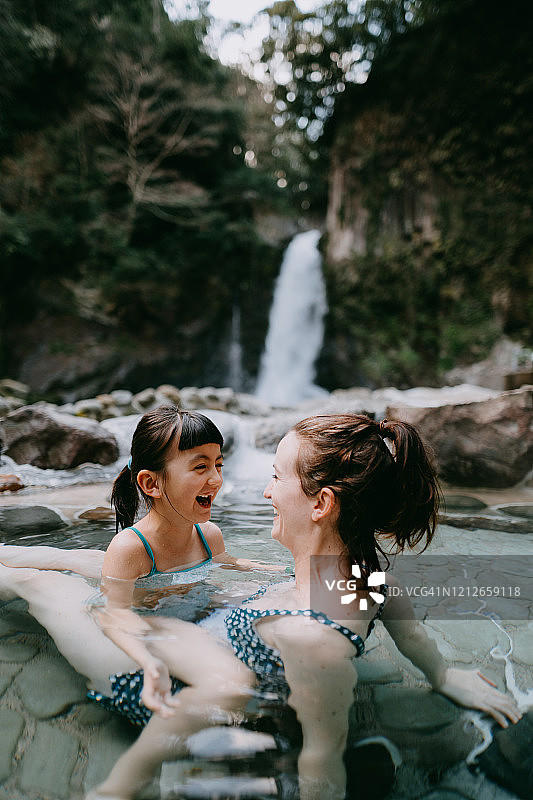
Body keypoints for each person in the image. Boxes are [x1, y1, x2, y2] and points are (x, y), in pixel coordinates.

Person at [0, 414, 521, 800]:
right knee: (78, 564)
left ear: (321, 504)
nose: (266, 490)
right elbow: (413, 637)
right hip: (192, 636)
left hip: (153, 688)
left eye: (277, 476)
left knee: (40, 585)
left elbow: (321, 758)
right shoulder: (366, 575)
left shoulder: (310, 640)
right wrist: (443, 675)